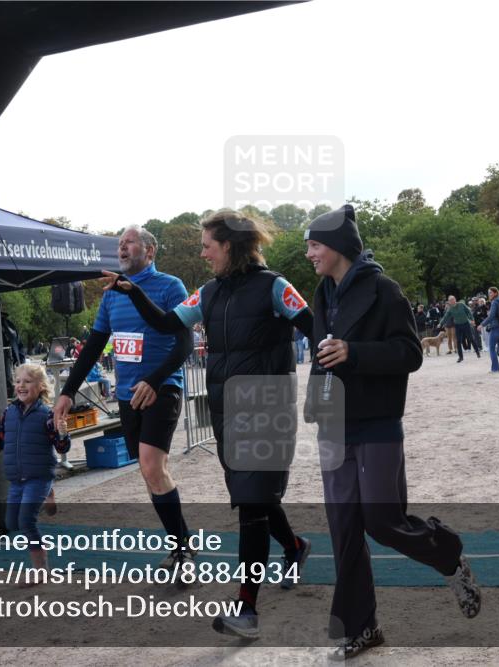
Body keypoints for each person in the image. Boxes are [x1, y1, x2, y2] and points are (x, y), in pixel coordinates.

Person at [103, 209, 313, 640]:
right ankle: (294, 547)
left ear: (229, 246)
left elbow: (318, 328)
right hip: (226, 410)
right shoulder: (208, 293)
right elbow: (167, 323)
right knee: (253, 496)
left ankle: (246, 609)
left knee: (251, 506)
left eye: (207, 246)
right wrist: (132, 292)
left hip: (267, 408)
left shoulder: (276, 286)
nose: (202, 254)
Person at [302, 206, 481, 659]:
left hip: (377, 421)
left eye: (315, 245)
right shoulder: (323, 292)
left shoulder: (385, 290)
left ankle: (447, 554)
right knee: (344, 529)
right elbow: (321, 354)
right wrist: (315, 403)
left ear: (338, 246)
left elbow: (410, 353)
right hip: (333, 424)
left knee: (382, 521)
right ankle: (362, 628)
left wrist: (354, 352)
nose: (309, 254)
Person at [55, 226, 194, 572]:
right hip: (128, 393)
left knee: (152, 465)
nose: (121, 247)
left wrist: (155, 379)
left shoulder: (170, 286)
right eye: (119, 243)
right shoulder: (111, 294)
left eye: (129, 242)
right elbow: (93, 347)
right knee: (149, 473)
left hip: (163, 387)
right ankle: (181, 544)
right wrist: (67, 392)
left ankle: (183, 552)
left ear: (150, 251)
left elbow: (185, 344)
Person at [0, 364, 71, 577]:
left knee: (25, 522)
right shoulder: (8, 413)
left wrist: (62, 433)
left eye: (27, 381)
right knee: (11, 523)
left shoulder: (47, 415)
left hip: (39, 476)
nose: (21, 385)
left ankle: (41, 570)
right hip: (17, 479)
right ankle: (47, 495)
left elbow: (62, 448)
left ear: (40, 387)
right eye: (18, 381)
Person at [440, 295, 480, 362]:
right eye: (450, 300)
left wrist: (472, 319)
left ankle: (477, 352)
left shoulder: (461, 304)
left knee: (471, 338)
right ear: (449, 302)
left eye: (453, 299)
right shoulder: (450, 309)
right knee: (458, 341)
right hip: (457, 325)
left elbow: (468, 311)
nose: (452, 301)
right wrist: (440, 323)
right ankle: (460, 357)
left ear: (455, 299)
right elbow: (446, 317)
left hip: (466, 323)